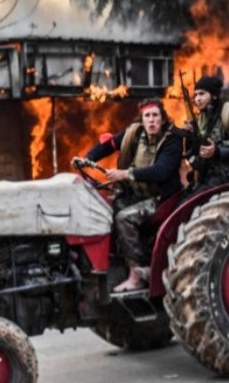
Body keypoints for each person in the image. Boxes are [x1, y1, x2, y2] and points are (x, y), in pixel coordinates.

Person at [73, 98, 182, 292]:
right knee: (106, 209)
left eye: (155, 115)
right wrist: (87, 158)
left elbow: (161, 171)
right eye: (147, 116)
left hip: (162, 199)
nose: (151, 120)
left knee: (125, 219)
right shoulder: (135, 132)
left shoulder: (172, 139)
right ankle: (108, 266)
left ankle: (138, 274)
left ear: (163, 119)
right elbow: (110, 144)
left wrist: (126, 174)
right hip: (139, 195)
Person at [184, 75, 229, 196]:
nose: (197, 99)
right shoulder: (201, 119)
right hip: (206, 175)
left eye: (202, 94)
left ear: (214, 95)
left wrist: (217, 151)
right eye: (195, 95)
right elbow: (193, 153)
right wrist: (189, 136)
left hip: (227, 176)